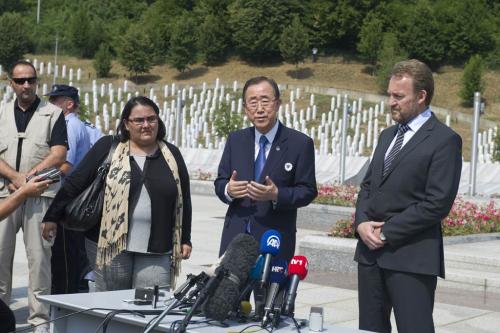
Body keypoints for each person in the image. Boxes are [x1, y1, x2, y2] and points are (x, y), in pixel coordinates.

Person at [354, 59, 462, 333]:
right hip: (370, 256)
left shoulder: (444, 140)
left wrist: (387, 232)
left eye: (398, 96)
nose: (391, 102)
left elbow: (437, 203)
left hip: (411, 258)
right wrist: (362, 223)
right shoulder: (386, 135)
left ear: (421, 96)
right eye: (389, 95)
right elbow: (368, 186)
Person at [42, 96, 192, 291]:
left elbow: (184, 198)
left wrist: (185, 238)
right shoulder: (107, 147)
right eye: (139, 120)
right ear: (126, 124)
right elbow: (75, 183)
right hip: (109, 246)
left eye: (151, 119)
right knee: (112, 304)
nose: (146, 125)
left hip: (157, 246)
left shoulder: (172, 154)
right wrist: (52, 216)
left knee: (151, 307)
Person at [214, 76, 317, 263]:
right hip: (235, 237)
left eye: (265, 101)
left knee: (271, 292)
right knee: (229, 292)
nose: (259, 109)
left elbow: (308, 190)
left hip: (274, 239)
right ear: (245, 108)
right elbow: (220, 182)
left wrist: (277, 195)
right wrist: (228, 190)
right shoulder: (236, 140)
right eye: (252, 102)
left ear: (277, 104)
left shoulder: (299, 143)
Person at [0, 60, 68, 333]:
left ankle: (39, 321)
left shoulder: (52, 113)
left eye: (31, 79)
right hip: (5, 194)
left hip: (40, 195)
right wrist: (15, 178)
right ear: (11, 84)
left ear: (37, 81)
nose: (26, 85)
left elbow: (59, 153)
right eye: (20, 81)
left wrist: (28, 179)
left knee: (39, 261)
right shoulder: (1, 112)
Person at [45, 84, 92, 294]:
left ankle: (64, 299)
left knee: (64, 255)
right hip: (73, 197)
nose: (51, 104)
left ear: (69, 104)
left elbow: (66, 165)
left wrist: (40, 181)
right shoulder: (73, 124)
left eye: (55, 100)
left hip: (67, 197)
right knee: (72, 255)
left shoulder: (69, 126)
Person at [0, 177, 53, 333]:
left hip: (36, 196)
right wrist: (22, 188)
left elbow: (60, 156)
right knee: (5, 321)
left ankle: (40, 320)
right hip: (13, 191)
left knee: (39, 261)